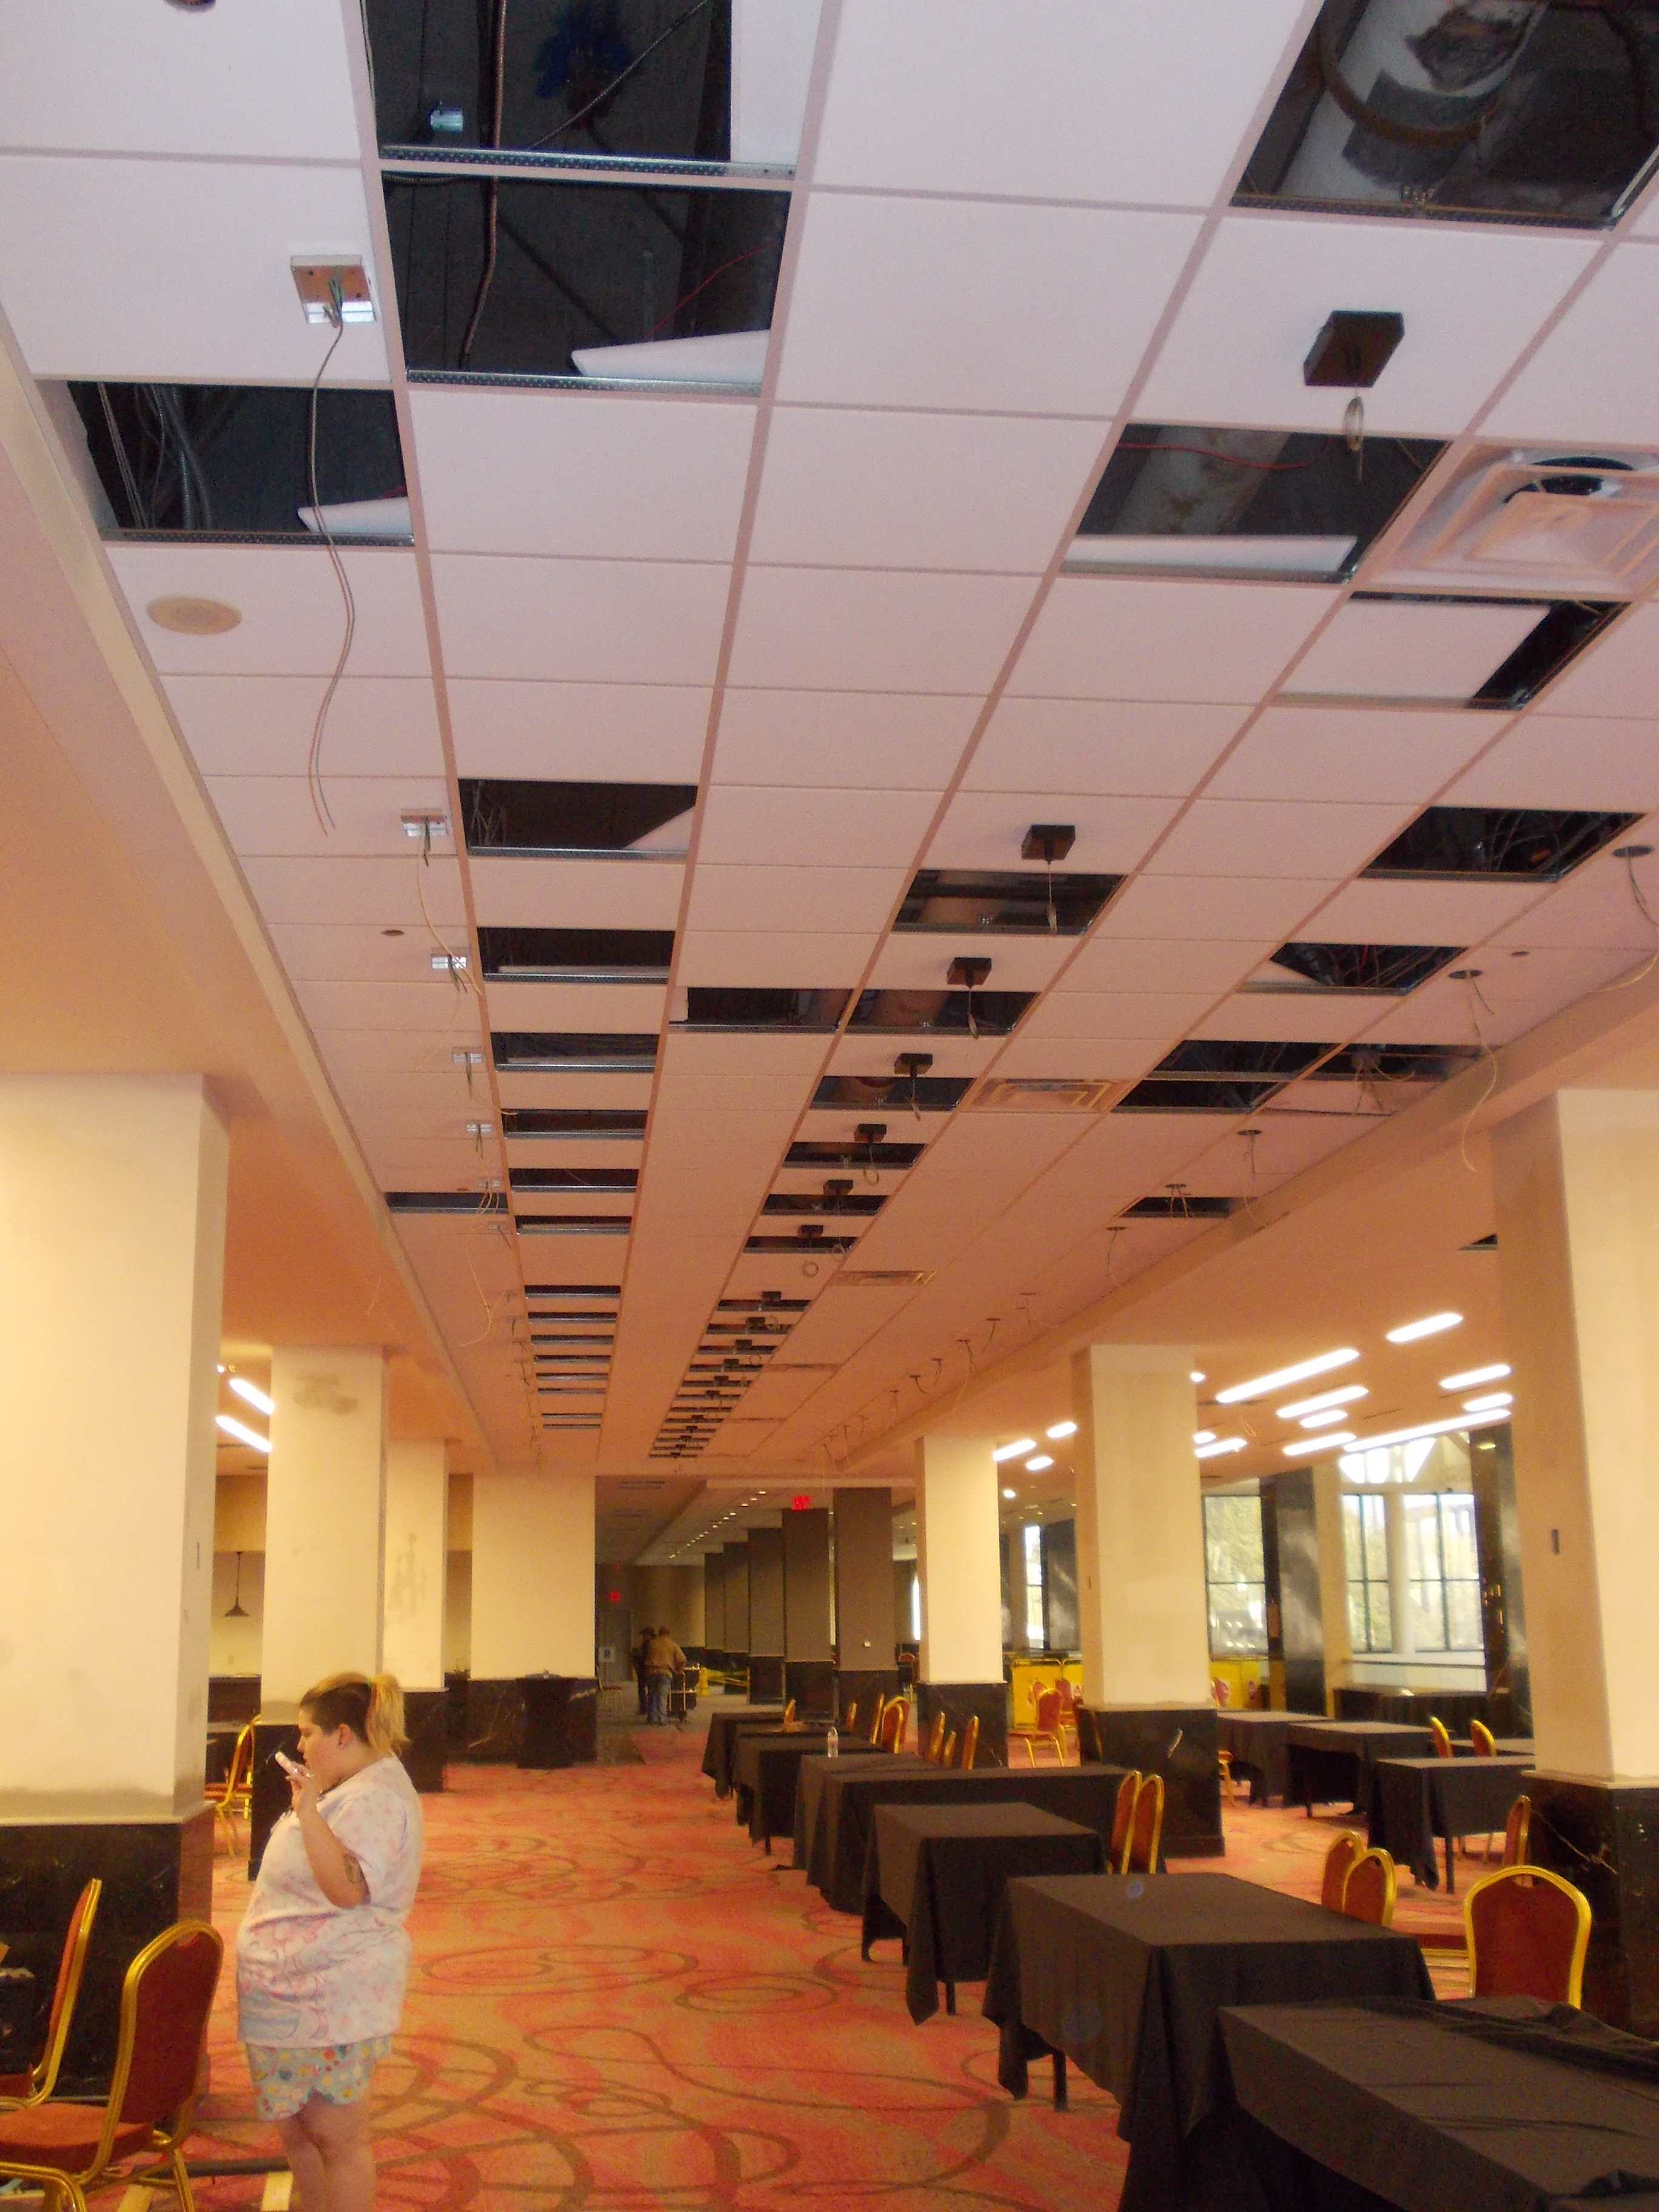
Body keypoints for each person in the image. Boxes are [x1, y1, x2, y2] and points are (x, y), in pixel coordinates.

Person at [236, 1672, 424, 2212]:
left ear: (342, 1735)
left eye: (306, 1734)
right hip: (296, 1994)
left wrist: (308, 1813)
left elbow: (346, 1888)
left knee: (335, 2139)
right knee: (301, 2137)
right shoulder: (350, 1786)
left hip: (330, 1997)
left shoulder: (375, 1798)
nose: (299, 1747)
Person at [642, 1625, 686, 1726]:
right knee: (662, 1696)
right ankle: (662, 1719)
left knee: (652, 1695)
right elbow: (682, 1659)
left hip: (651, 1671)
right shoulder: (673, 1645)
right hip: (665, 1672)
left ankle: (652, 1718)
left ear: (659, 1633)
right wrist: (679, 1670)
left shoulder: (652, 1644)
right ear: (668, 1634)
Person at [631, 1626, 652, 1717]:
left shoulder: (646, 1644)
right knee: (651, 1690)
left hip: (644, 1669)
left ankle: (644, 1708)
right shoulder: (654, 1643)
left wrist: (636, 1657)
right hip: (650, 1669)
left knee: (642, 1689)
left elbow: (643, 1657)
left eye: (644, 1635)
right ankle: (650, 1708)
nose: (643, 1637)